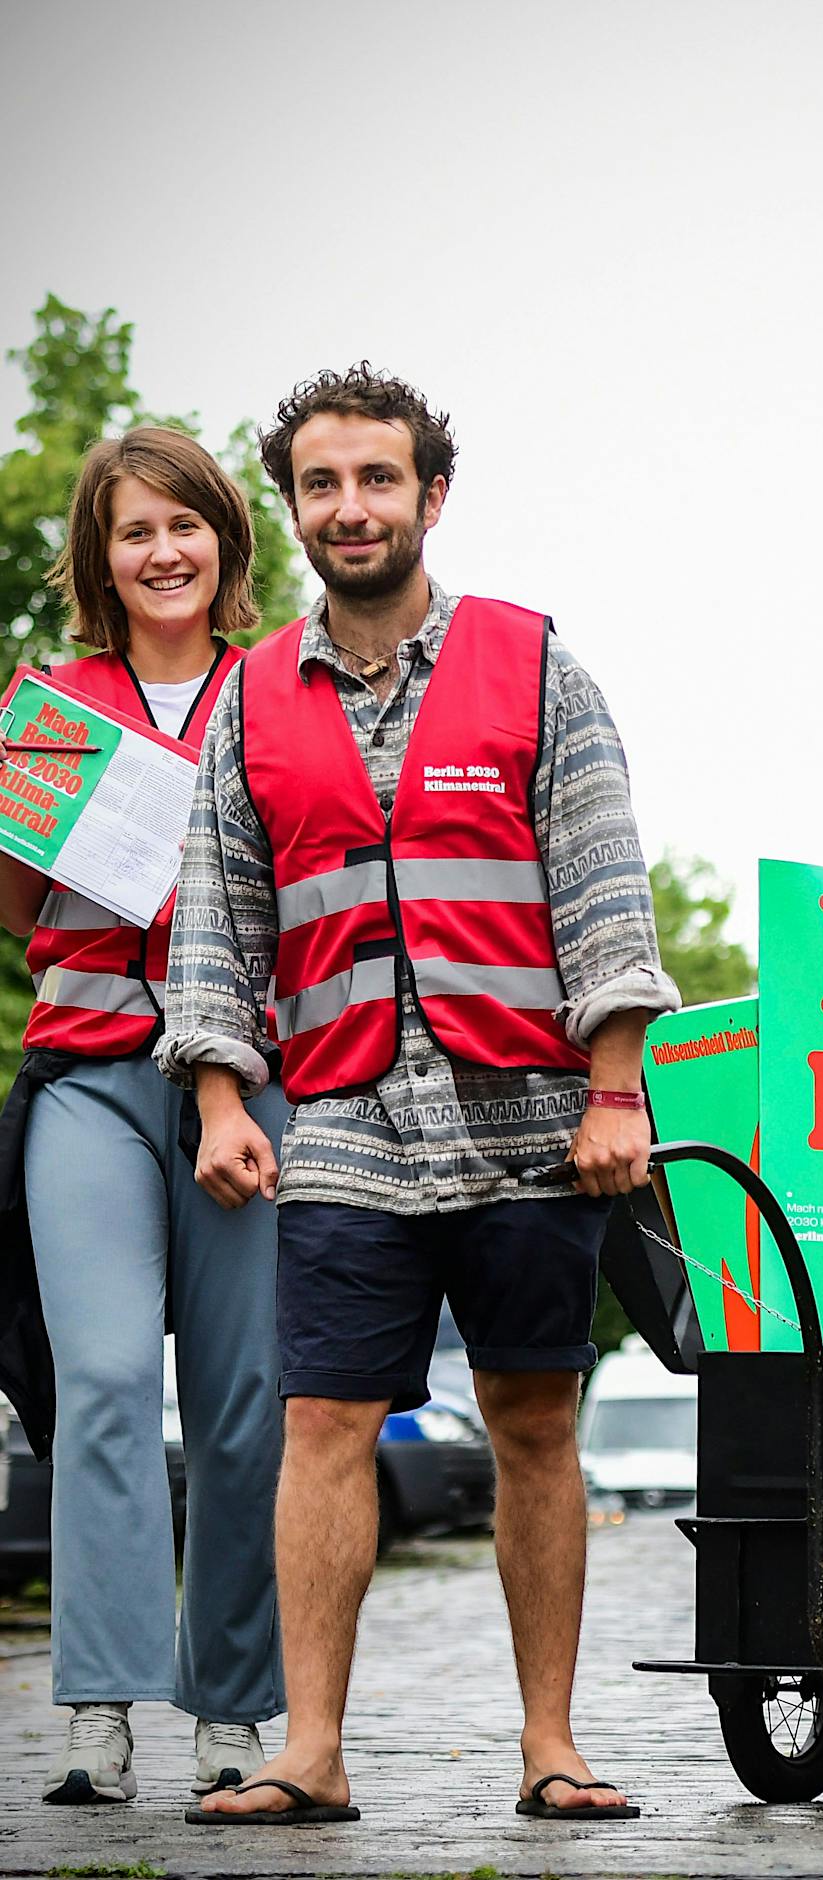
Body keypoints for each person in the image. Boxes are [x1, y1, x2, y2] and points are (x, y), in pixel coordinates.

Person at [169, 365, 680, 1827]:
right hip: (336, 1117)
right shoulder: (253, 697)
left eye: (377, 480)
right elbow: (218, 920)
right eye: (322, 486)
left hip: (531, 1112)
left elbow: (600, 879)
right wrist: (219, 1098)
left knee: (533, 1419)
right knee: (320, 1420)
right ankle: (309, 1750)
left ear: (429, 494)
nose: (351, 508)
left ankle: (552, 1745)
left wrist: (616, 1086)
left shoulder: (532, 666)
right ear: (296, 507)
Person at [0, 429, 286, 1805]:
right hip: (93, 1074)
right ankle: (98, 1709)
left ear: (226, 540)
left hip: (258, 1079)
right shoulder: (52, 704)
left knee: (244, 1404)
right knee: (106, 1380)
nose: (162, 551)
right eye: (133, 531)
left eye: (185, 523)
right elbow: (20, 909)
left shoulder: (281, 690)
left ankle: (234, 1711)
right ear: (99, 560)